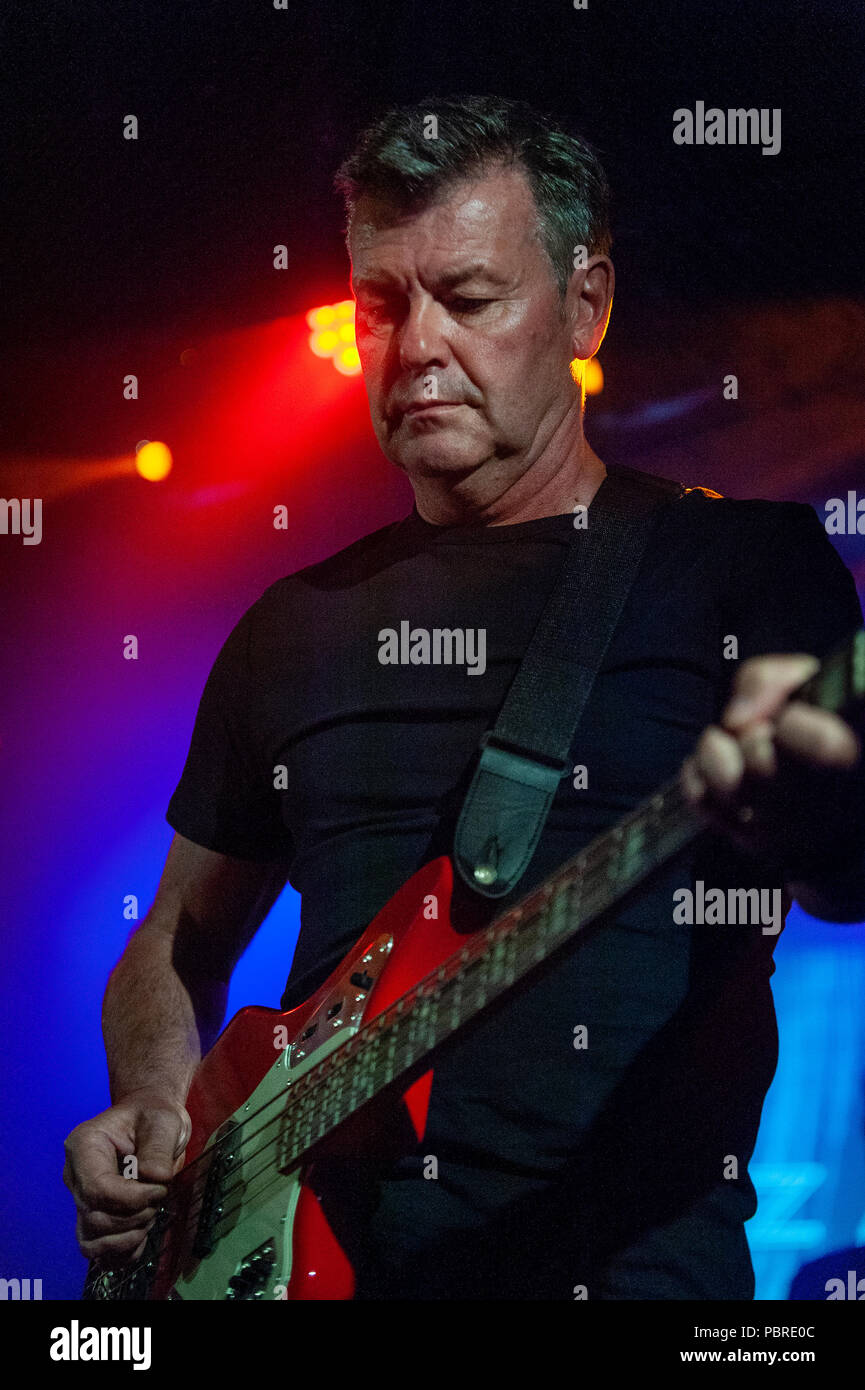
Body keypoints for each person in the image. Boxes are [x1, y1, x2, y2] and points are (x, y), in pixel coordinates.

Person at [63, 95, 865, 1300]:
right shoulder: (294, 623)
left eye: (470, 298)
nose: (415, 346)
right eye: (379, 306)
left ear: (585, 304)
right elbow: (175, 940)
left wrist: (806, 816)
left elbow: (843, 878)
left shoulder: (742, 570)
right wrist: (156, 1107)